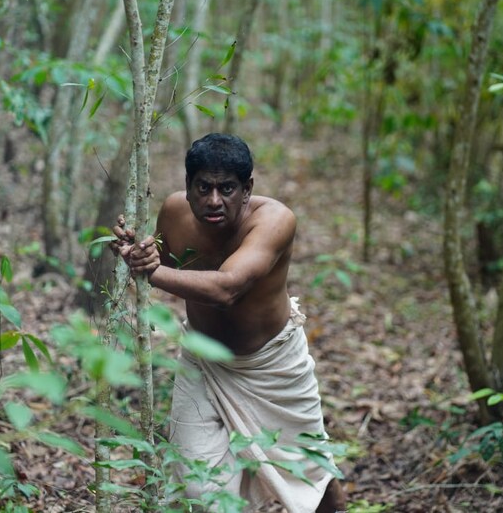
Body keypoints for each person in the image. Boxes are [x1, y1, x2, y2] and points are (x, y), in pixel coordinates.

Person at [114, 133, 346, 512]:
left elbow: (227, 288)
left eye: (227, 189)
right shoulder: (173, 212)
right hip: (203, 361)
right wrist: (137, 251)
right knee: (196, 487)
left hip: (274, 364)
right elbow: (167, 263)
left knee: (313, 475)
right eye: (203, 187)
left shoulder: (275, 220)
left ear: (247, 189)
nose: (214, 200)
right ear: (188, 186)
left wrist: (150, 271)